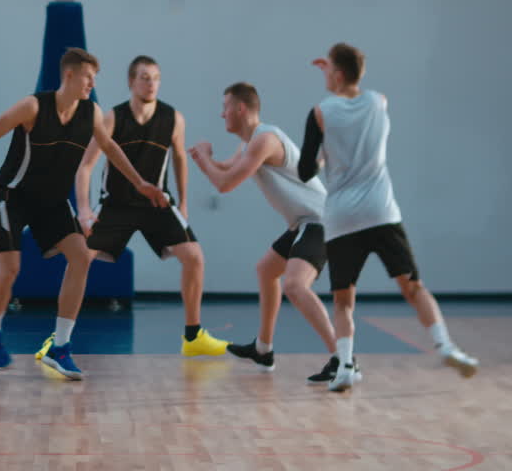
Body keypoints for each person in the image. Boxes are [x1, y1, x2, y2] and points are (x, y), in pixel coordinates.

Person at [0, 48, 167, 380]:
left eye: (95, 79)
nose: (92, 84)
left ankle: (60, 347)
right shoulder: (33, 107)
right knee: (10, 268)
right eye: (87, 77)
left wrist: (141, 183)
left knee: (82, 257)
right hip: (14, 195)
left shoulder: (92, 113)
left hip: (52, 201)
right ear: (69, 75)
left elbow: (110, 148)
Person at [299, 42, 478, 392]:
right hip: (381, 212)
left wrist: (324, 155)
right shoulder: (380, 101)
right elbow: (353, 92)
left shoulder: (320, 113)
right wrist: (338, 72)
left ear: (335, 72)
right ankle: (444, 345)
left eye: (329, 69)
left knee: (343, 299)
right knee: (412, 286)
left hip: (342, 218)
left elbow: (306, 170)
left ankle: (346, 365)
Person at [73, 55, 228, 356]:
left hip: (157, 203)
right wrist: (83, 209)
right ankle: (60, 339)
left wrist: (183, 203)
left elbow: (181, 158)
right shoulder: (112, 117)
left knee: (194, 256)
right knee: (79, 257)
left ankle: (193, 337)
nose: (151, 83)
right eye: (144, 77)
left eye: (155, 77)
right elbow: (85, 167)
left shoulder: (174, 118)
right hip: (116, 204)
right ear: (131, 82)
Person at [188, 82, 343, 384]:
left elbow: (224, 184)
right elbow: (222, 169)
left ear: (240, 109)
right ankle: (263, 349)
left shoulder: (264, 141)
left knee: (295, 287)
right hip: (303, 223)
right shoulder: (249, 145)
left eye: (225, 107)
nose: (222, 115)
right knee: (266, 270)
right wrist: (203, 158)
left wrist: (204, 156)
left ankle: (343, 358)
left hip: (320, 221)